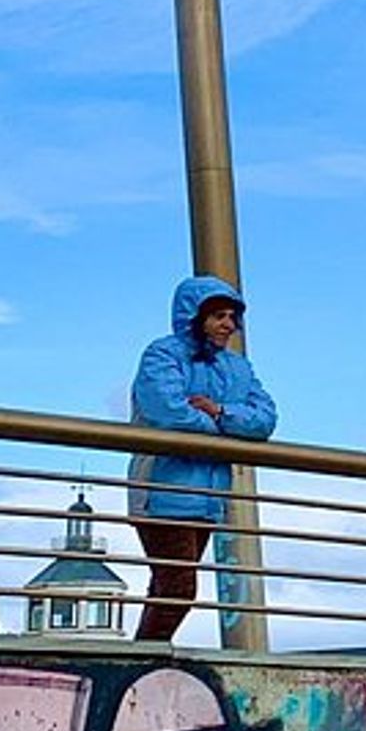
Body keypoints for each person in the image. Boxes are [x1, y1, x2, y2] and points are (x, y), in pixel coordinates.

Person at [128, 274, 275, 642]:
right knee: (177, 588)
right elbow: (168, 412)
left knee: (170, 587)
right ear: (195, 316)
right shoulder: (162, 354)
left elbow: (266, 419)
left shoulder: (237, 367)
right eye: (219, 316)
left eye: (232, 317)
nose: (229, 325)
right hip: (162, 488)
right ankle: (142, 658)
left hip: (209, 498)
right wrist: (226, 426)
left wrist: (220, 412)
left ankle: (143, 658)